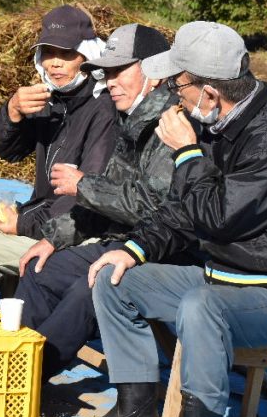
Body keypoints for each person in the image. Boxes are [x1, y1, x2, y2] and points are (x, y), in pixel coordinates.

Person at [72, 22, 267, 417]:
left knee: (201, 305)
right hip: (221, 276)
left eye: (178, 83)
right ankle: (135, 409)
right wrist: (132, 249)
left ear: (210, 93)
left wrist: (187, 154)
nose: (173, 94)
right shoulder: (214, 123)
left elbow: (215, 217)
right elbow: (180, 209)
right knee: (114, 277)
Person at [12, 23, 180, 376]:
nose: (111, 80)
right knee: (39, 270)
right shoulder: (130, 118)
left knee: (86, 288)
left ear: (155, 72)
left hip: (161, 253)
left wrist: (83, 185)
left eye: (120, 70)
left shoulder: (171, 124)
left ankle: (26, 377)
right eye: (107, 72)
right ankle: (13, 359)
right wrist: (52, 239)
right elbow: (107, 201)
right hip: (119, 242)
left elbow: (154, 207)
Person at [0, 5, 116, 301]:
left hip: (76, 231)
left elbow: (86, 197)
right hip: (40, 214)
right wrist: (12, 113)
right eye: (48, 53)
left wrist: (22, 224)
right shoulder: (51, 99)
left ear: (87, 57)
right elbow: (7, 152)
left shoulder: (104, 109)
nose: (55, 64)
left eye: (66, 54)